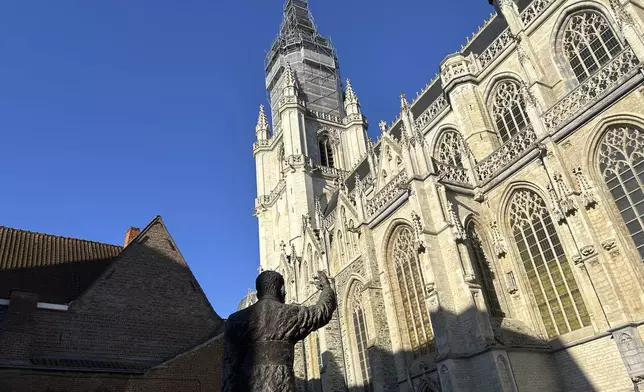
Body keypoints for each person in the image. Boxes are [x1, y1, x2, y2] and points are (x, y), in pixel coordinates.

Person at [222, 270, 336, 392]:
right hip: (281, 386)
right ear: (281, 289)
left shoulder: (234, 321)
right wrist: (327, 289)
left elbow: (229, 368)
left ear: (258, 292)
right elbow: (322, 312)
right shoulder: (290, 314)